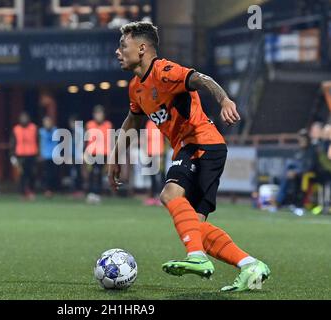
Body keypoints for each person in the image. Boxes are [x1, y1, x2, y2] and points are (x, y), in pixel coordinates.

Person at [108, 21, 270, 292]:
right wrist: (115, 156)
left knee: (170, 195)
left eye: (123, 46)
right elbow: (132, 121)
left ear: (143, 48)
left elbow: (201, 78)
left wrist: (225, 101)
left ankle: (197, 257)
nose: (118, 51)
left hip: (200, 143)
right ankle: (250, 265)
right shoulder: (136, 86)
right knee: (195, 228)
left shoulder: (166, 71)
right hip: (198, 148)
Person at [85, 105, 113, 204]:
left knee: (100, 174)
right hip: (91, 153)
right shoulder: (89, 125)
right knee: (92, 174)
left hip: (103, 154)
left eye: (100, 114)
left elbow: (110, 141)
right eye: (97, 114)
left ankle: (97, 193)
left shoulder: (108, 125)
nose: (99, 116)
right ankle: (91, 193)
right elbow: (86, 140)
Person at [10, 112, 39, 200]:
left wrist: (39, 154)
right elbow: (12, 143)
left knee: (32, 174)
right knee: (22, 175)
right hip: (20, 156)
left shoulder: (34, 128)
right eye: (22, 118)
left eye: (25, 117)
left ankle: (31, 191)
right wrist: (12, 155)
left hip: (32, 155)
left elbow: (38, 141)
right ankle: (22, 193)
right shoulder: (16, 129)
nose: (24, 119)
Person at [142, 119, 165, 206]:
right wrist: (145, 152)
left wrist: (163, 155)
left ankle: (161, 197)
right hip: (151, 153)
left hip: (160, 153)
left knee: (161, 176)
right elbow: (146, 138)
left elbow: (165, 138)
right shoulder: (149, 123)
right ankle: (153, 197)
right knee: (152, 177)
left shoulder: (163, 122)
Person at [39, 116, 59, 197]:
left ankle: (53, 189)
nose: (47, 124)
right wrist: (39, 154)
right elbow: (39, 143)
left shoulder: (56, 130)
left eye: (48, 122)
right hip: (45, 156)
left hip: (54, 156)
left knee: (54, 174)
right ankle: (47, 190)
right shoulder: (41, 132)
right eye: (45, 122)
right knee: (46, 174)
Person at [69, 115, 85, 198]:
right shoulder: (74, 131)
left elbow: (81, 145)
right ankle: (76, 190)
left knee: (78, 173)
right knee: (75, 173)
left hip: (79, 156)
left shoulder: (80, 131)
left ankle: (79, 190)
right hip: (75, 156)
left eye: (72, 122)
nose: (71, 124)